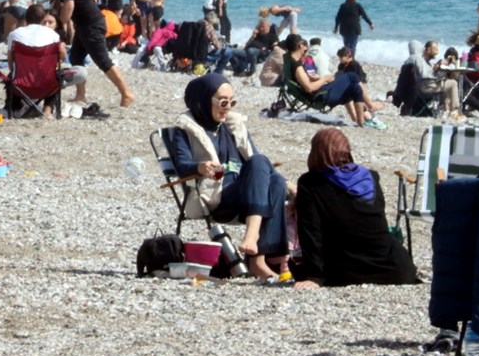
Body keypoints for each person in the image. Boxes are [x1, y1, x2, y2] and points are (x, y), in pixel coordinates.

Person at [170, 73, 290, 280]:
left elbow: (259, 165)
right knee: (261, 163)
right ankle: (256, 249)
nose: (228, 107)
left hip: (246, 195)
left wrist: (288, 184)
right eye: (223, 102)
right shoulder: (185, 131)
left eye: (232, 102)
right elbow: (181, 165)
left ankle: (257, 261)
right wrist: (199, 167)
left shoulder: (232, 127)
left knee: (276, 180)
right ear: (202, 100)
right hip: (216, 197)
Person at [292, 128, 419, 289]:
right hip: (396, 268)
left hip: (345, 271)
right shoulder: (371, 177)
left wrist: (314, 276)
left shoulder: (310, 183)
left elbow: (311, 232)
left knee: (294, 262)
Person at [42, 0, 135, 107]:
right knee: (76, 57)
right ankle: (80, 95)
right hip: (86, 24)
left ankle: (126, 93)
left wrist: (60, 25)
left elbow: (69, 5)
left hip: (91, 25)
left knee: (103, 61)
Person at [283, 34, 383, 129]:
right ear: (300, 45)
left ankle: (360, 122)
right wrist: (324, 79)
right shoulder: (296, 66)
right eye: (304, 46)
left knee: (353, 88)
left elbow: (304, 83)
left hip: (318, 94)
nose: (305, 49)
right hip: (321, 96)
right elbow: (309, 88)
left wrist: (315, 78)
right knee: (352, 76)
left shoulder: (288, 60)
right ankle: (371, 105)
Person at [412, 40, 464, 121]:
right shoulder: (420, 60)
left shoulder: (428, 61)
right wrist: (436, 68)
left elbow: (431, 73)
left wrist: (439, 67)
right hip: (426, 87)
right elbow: (424, 75)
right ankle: (454, 110)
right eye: (435, 49)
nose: (437, 51)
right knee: (453, 83)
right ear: (428, 50)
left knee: (447, 82)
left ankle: (446, 110)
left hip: (429, 85)